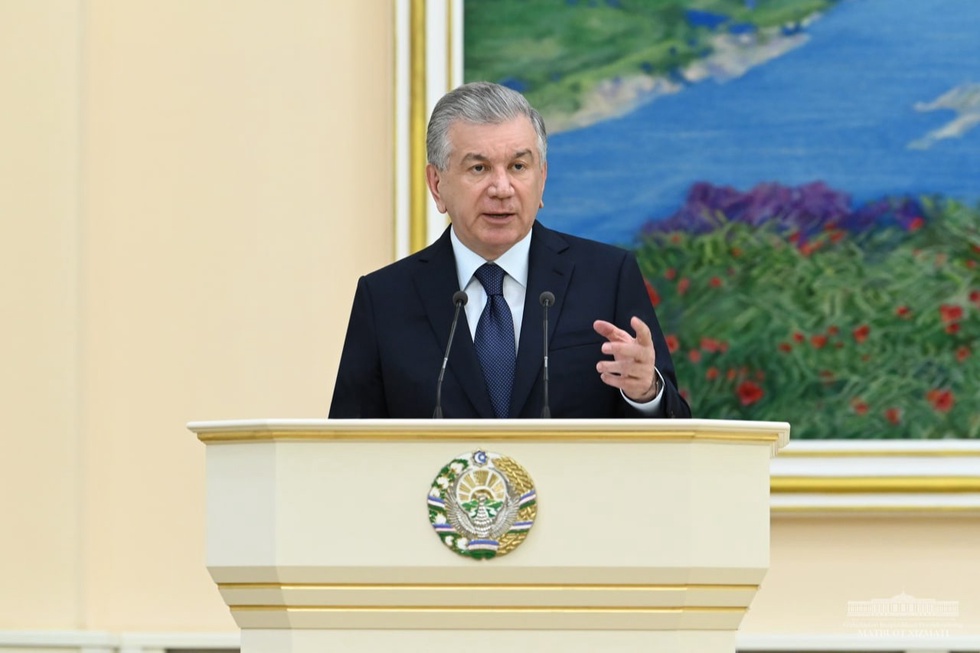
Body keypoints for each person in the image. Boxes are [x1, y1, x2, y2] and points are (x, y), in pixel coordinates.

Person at [329, 81, 690, 419]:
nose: (502, 188)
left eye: (518, 167)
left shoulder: (607, 278)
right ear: (437, 184)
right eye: (479, 168)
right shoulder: (384, 299)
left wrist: (646, 392)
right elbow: (347, 446)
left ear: (541, 179)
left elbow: (674, 428)